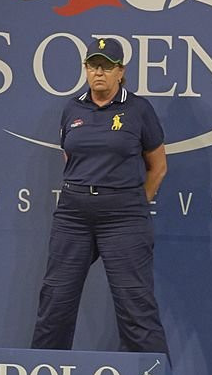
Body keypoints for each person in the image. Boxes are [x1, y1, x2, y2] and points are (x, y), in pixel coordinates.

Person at [30, 37, 170, 357]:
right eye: (93, 66)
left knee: (136, 305)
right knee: (55, 299)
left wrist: (133, 203)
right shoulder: (72, 108)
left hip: (123, 216)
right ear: (85, 69)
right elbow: (71, 157)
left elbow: (158, 167)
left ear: (121, 71)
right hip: (73, 214)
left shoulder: (139, 110)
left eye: (107, 67)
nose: (99, 73)